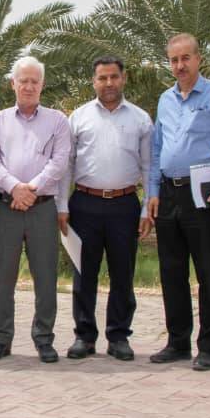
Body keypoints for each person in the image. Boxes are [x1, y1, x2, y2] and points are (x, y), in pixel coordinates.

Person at [147, 33, 210, 371]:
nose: (180, 65)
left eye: (185, 58)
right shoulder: (165, 99)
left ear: (199, 59)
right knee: (172, 271)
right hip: (169, 194)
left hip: (205, 194)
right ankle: (177, 342)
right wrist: (152, 192)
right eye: (174, 60)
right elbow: (157, 149)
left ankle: (208, 346)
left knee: (207, 272)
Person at [56, 56, 152, 362]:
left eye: (113, 77)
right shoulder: (78, 118)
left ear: (124, 78)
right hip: (84, 203)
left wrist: (146, 209)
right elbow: (67, 165)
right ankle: (84, 336)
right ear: (94, 81)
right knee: (84, 273)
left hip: (125, 204)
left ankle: (119, 336)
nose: (108, 83)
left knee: (123, 272)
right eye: (102, 78)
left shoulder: (140, 119)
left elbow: (149, 167)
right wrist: (62, 205)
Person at [0, 56, 70, 363]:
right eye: (24, 81)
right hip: (5, 207)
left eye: (35, 81)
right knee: (2, 277)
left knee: (45, 277)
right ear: (13, 84)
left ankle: (44, 339)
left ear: (42, 85)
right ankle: (1, 338)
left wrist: (30, 189)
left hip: (42, 209)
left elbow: (59, 162)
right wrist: (15, 188)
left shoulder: (58, 121)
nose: (29, 86)